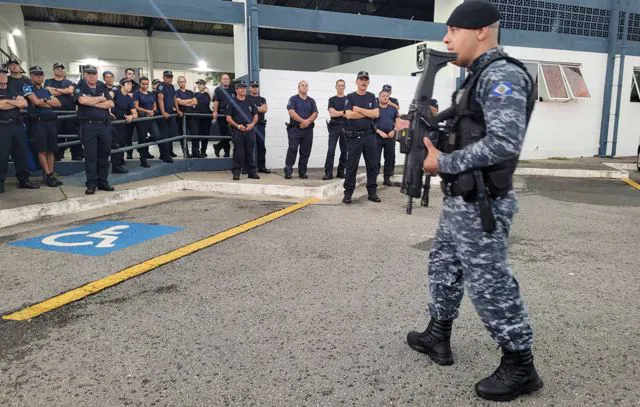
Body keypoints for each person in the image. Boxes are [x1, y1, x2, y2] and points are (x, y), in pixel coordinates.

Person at [402, 2, 542, 402]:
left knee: (488, 281)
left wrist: (441, 161)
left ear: (481, 31)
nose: (446, 39)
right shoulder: (476, 76)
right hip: (462, 197)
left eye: (452, 31)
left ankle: (521, 365)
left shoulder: (502, 75)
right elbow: (470, 129)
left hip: (483, 200)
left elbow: (503, 142)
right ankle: (438, 335)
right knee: (443, 263)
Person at [74, 65, 115, 195]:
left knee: (104, 154)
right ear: (85, 75)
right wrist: (101, 99)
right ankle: (91, 184)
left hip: (104, 125)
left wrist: (91, 101)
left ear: (97, 75)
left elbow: (111, 103)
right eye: (89, 74)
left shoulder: (102, 86)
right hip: (89, 126)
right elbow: (81, 100)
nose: (92, 76)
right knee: (91, 156)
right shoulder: (80, 86)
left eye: (94, 74)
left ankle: (103, 182)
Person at [342, 71, 379, 204]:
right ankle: (348, 194)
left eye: (366, 80)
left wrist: (359, 110)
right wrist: (367, 113)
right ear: (356, 81)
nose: (363, 82)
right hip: (354, 138)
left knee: (372, 166)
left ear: (368, 82)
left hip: (369, 136)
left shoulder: (372, 96)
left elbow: (376, 114)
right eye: (361, 80)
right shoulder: (350, 97)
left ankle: (372, 193)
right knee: (351, 166)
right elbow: (349, 115)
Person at [0, 69, 39, 193]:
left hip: (17, 125)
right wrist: (14, 102)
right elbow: (0, 106)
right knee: (2, 155)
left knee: (21, 153)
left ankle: (24, 180)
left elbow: (23, 104)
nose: (3, 76)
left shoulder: (13, 88)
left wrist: (7, 101)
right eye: (1, 74)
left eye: (5, 74)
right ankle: (0, 182)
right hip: (2, 126)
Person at [26, 65, 62, 187]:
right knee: (42, 150)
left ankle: (51, 174)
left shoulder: (46, 90)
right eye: (36, 74)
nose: (39, 76)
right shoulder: (27, 87)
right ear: (31, 75)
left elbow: (57, 103)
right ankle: (48, 175)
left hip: (50, 122)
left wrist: (44, 101)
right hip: (38, 123)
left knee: (51, 149)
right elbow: (35, 102)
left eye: (41, 74)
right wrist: (46, 101)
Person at [45, 62, 82, 161]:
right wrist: (64, 91)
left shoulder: (70, 82)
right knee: (57, 135)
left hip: (70, 113)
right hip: (55, 113)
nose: (59, 70)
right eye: (57, 68)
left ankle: (76, 156)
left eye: (61, 69)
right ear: (53, 70)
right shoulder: (48, 81)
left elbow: (70, 91)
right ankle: (58, 156)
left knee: (73, 134)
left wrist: (56, 89)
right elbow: (48, 92)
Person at [226, 80, 259, 181]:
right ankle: (236, 173)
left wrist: (252, 124)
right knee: (238, 152)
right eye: (241, 88)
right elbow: (228, 118)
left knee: (250, 151)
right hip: (238, 130)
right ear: (236, 90)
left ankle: (252, 172)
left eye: (244, 88)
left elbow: (256, 115)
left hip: (249, 129)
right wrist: (238, 126)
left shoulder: (250, 101)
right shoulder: (232, 102)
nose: (243, 89)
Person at [284, 80, 317, 179]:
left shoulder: (311, 100)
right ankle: (288, 170)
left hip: (308, 130)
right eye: (302, 85)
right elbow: (291, 112)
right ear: (298, 88)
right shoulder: (293, 99)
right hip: (295, 129)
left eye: (306, 85)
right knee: (292, 149)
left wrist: (307, 122)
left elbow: (315, 113)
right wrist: (303, 121)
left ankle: (302, 171)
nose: (304, 87)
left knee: (305, 151)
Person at [110, 78, 138, 174]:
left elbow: (135, 113)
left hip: (122, 123)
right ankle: (115, 166)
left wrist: (131, 115)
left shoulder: (129, 98)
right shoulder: (115, 92)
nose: (130, 85)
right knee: (115, 144)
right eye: (128, 83)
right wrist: (109, 112)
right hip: (112, 123)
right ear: (122, 85)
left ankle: (119, 162)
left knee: (122, 143)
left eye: (131, 84)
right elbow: (107, 99)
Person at [133, 76, 162, 167]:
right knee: (142, 139)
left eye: (146, 84)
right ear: (140, 84)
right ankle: (143, 160)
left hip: (151, 119)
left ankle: (142, 147)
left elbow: (154, 105)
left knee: (156, 136)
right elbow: (136, 106)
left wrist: (153, 111)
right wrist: (147, 111)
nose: (145, 86)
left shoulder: (150, 94)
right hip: (142, 119)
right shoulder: (137, 93)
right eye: (143, 84)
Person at [323, 79, 348, 180]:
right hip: (334, 127)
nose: (341, 87)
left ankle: (341, 172)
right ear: (336, 87)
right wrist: (343, 112)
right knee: (331, 150)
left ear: (344, 87)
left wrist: (338, 112)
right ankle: (328, 173)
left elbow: (349, 113)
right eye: (339, 85)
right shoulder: (332, 99)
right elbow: (332, 113)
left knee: (344, 151)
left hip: (346, 127)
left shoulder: (348, 99)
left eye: (342, 85)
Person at [375, 87, 398, 187]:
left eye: (386, 96)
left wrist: (394, 131)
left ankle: (387, 178)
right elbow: (371, 123)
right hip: (377, 137)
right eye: (383, 96)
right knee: (375, 159)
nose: (385, 97)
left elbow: (398, 122)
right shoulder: (375, 109)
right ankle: (373, 178)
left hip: (390, 137)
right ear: (379, 97)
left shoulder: (393, 109)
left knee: (389, 158)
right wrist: (379, 132)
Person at [156, 70, 181, 161]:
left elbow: (174, 99)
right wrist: (163, 112)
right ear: (163, 77)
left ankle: (169, 152)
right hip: (163, 115)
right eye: (167, 77)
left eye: (171, 77)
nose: (169, 78)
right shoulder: (161, 86)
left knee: (170, 134)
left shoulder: (172, 86)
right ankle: (165, 155)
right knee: (164, 135)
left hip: (171, 113)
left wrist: (178, 110)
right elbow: (160, 99)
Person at [420, 99, 440, 207]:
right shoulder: (422, 119)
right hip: (421, 147)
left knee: (428, 174)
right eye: (433, 107)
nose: (435, 110)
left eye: (436, 108)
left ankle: (425, 196)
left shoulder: (436, 121)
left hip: (431, 149)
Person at [247, 80, 270, 173]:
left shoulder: (262, 99)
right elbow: (245, 109)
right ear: (250, 88)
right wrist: (258, 108)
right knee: (249, 147)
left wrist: (253, 108)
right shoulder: (246, 98)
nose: (255, 88)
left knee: (261, 147)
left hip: (260, 126)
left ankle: (262, 167)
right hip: (250, 125)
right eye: (253, 86)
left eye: (256, 86)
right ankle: (248, 167)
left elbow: (265, 109)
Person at [176, 75, 198, 158]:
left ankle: (195, 152)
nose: (182, 83)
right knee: (183, 135)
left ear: (186, 82)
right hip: (181, 117)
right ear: (178, 83)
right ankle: (186, 153)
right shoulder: (176, 92)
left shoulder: (190, 92)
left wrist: (184, 102)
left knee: (195, 133)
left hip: (191, 116)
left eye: (184, 81)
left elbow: (195, 102)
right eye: (180, 81)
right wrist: (189, 101)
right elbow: (179, 102)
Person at [212, 73, 234, 157]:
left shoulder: (233, 89)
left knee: (231, 134)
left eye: (227, 79)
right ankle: (226, 153)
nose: (225, 80)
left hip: (232, 114)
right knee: (224, 134)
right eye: (224, 79)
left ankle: (218, 146)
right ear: (221, 80)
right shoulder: (218, 89)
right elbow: (216, 102)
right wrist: (215, 111)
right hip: (221, 114)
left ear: (229, 80)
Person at [123, 68, 140, 159]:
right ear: (126, 74)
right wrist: (133, 95)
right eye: (129, 73)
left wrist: (130, 94)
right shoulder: (122, 84)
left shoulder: (137, 86)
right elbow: (124, 95)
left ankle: (143, 152)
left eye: (133, 74)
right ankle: (129, 153)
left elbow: (138, 96)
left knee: (141, 133)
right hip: (127, 114)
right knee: (128, 135)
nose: (131, 75)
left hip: (138, 113)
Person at [194, 79, 212, 158]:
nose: (199, 85)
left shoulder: (207, 94)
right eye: (198, 84)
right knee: (197, 134)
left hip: (206, 117)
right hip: (197, 117)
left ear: (204, 85)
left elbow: (213, 102)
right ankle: (196, 151)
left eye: (201, 84)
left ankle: (203, 151)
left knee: (205, 134)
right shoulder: (195, 94)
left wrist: (209, 93)